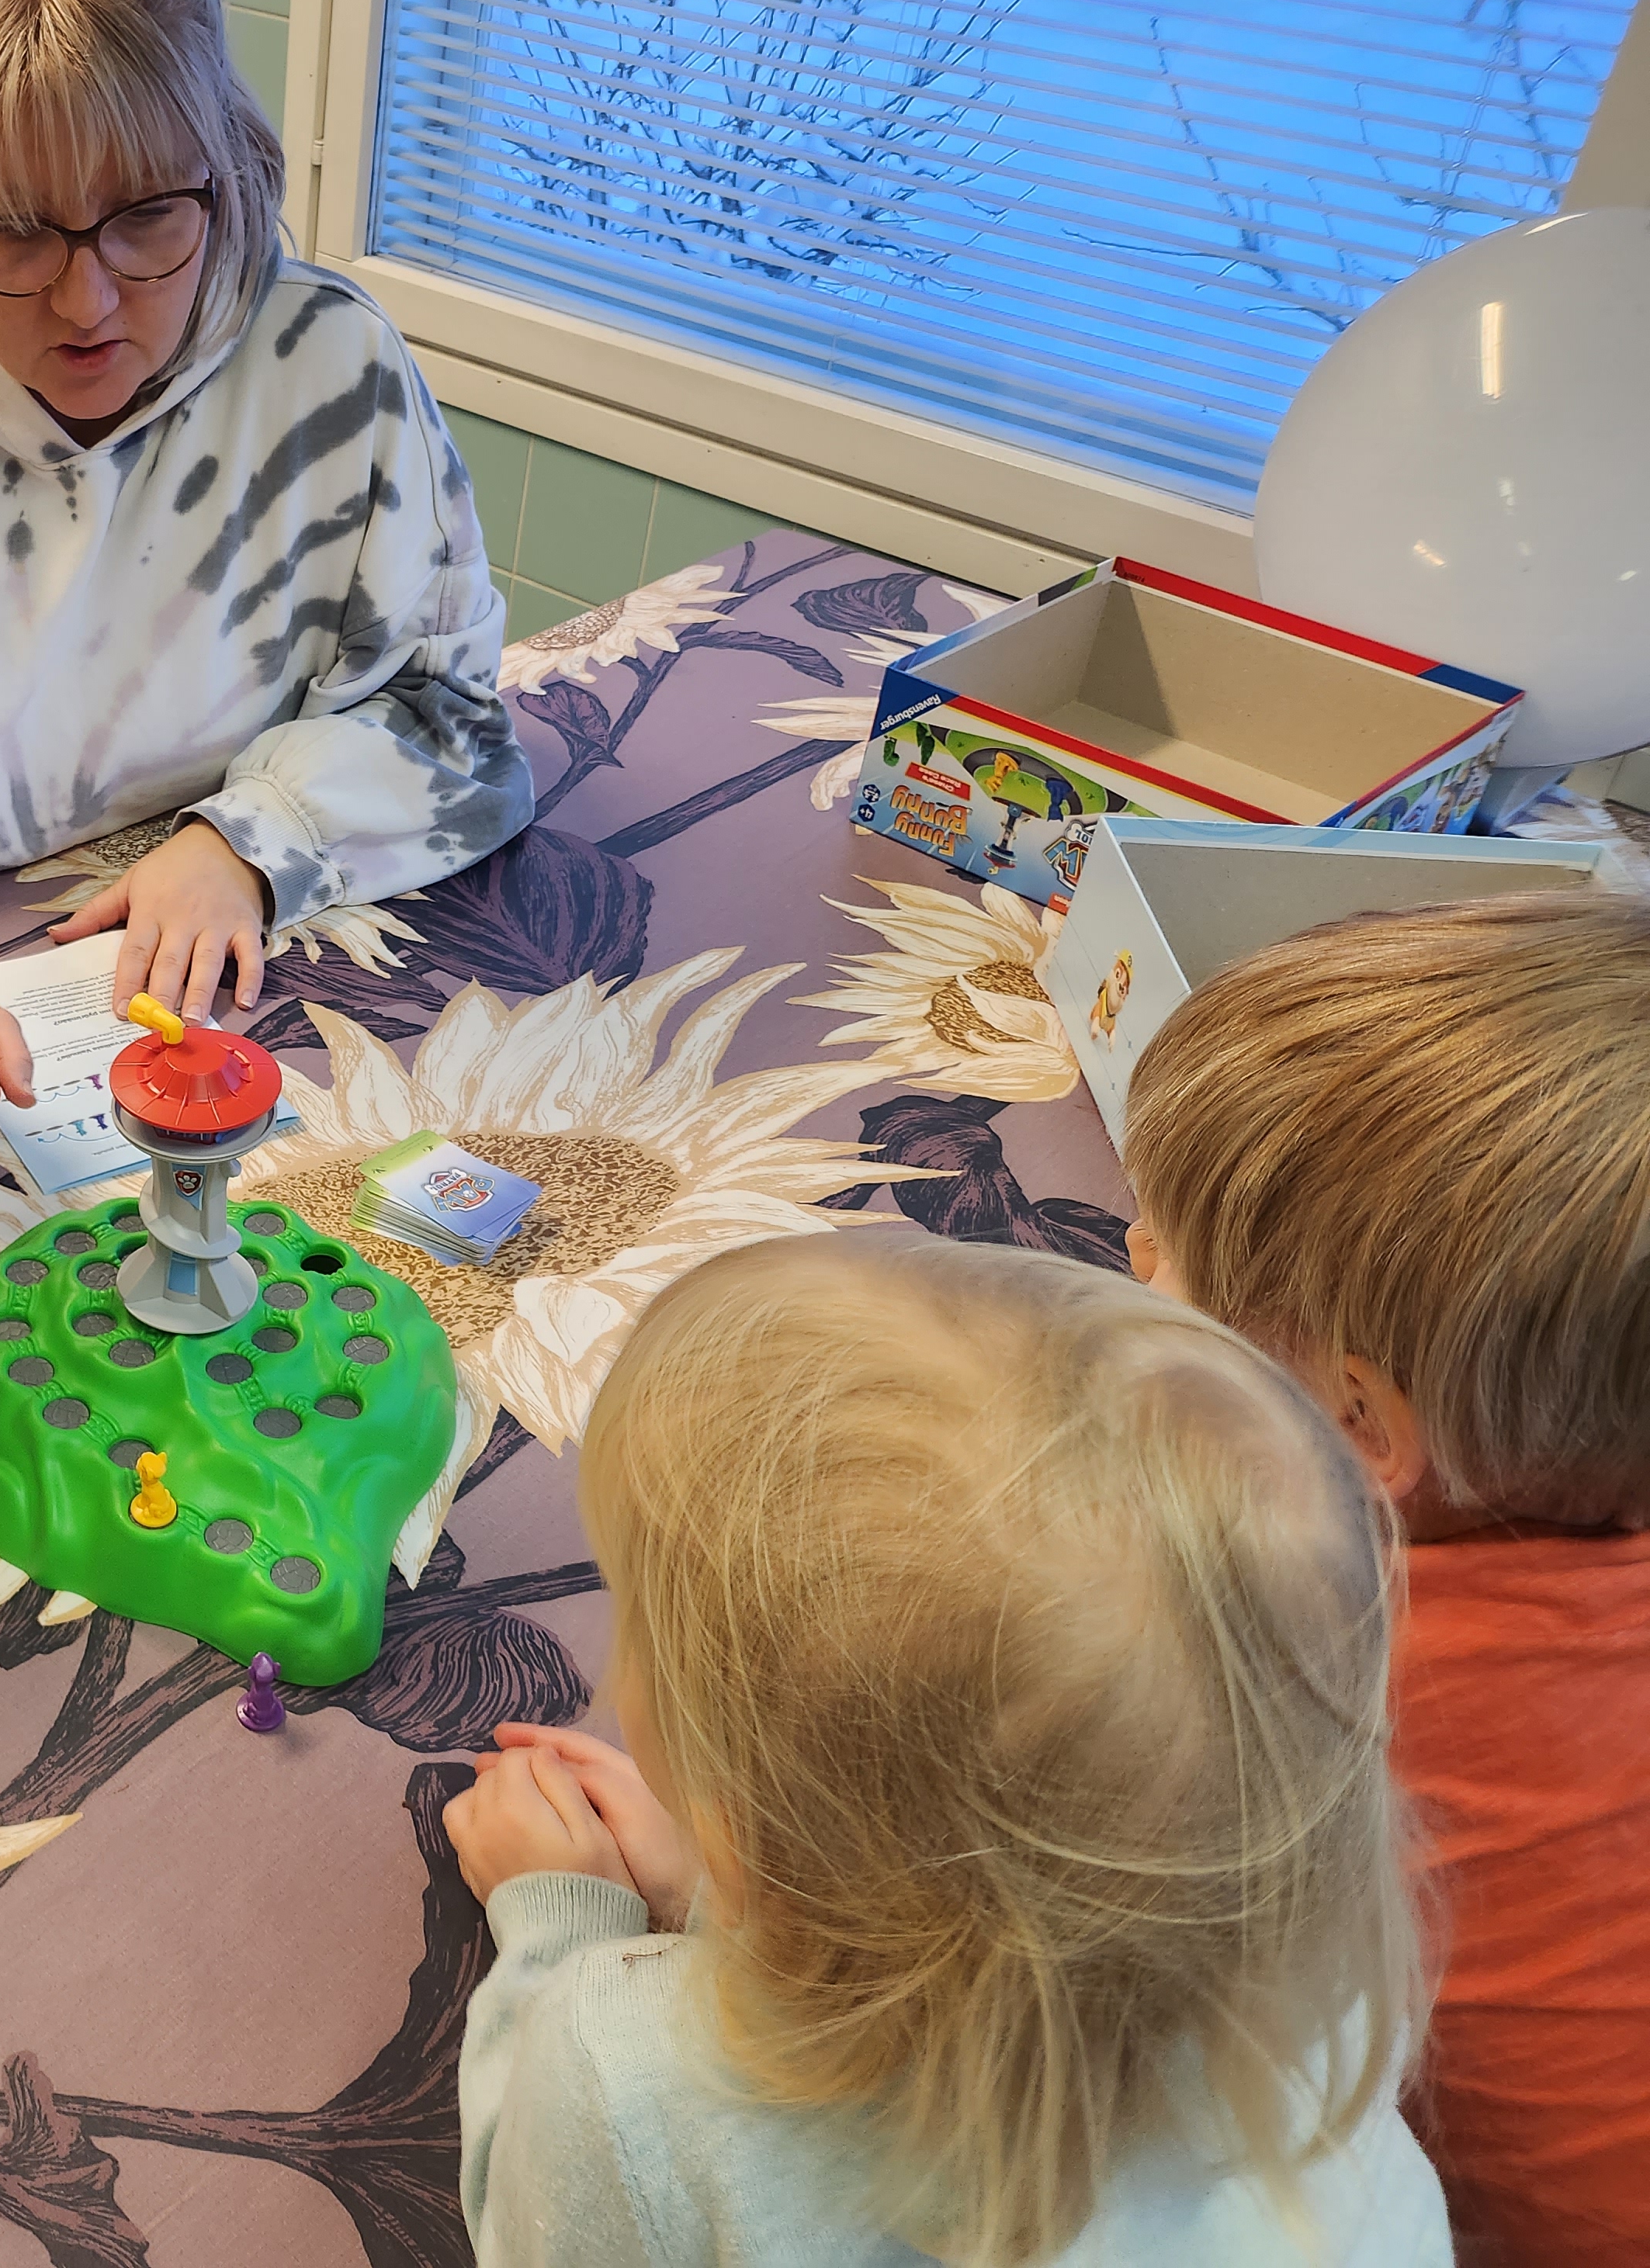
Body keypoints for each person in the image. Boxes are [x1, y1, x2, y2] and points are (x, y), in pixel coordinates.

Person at [449, 1227, 1446, 2266]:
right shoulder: (1318, 2001)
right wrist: (727, 1892)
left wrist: (560, 1927)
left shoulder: (631, 2078)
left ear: (751, 1824)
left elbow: (533, 2235)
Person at [0, 0, 532, 1139]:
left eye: (145, 217)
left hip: (257, 990)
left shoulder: (331, 366)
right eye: (15, 233)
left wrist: (247, 843)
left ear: (226, 166)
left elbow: (450, 718)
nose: (85, 303)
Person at [1121, 890, 1650, 2264]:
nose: (1127, 1257)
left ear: (1357, 1425)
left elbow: (1057, 1969)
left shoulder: (1304, 1674)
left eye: (1167, 1256)